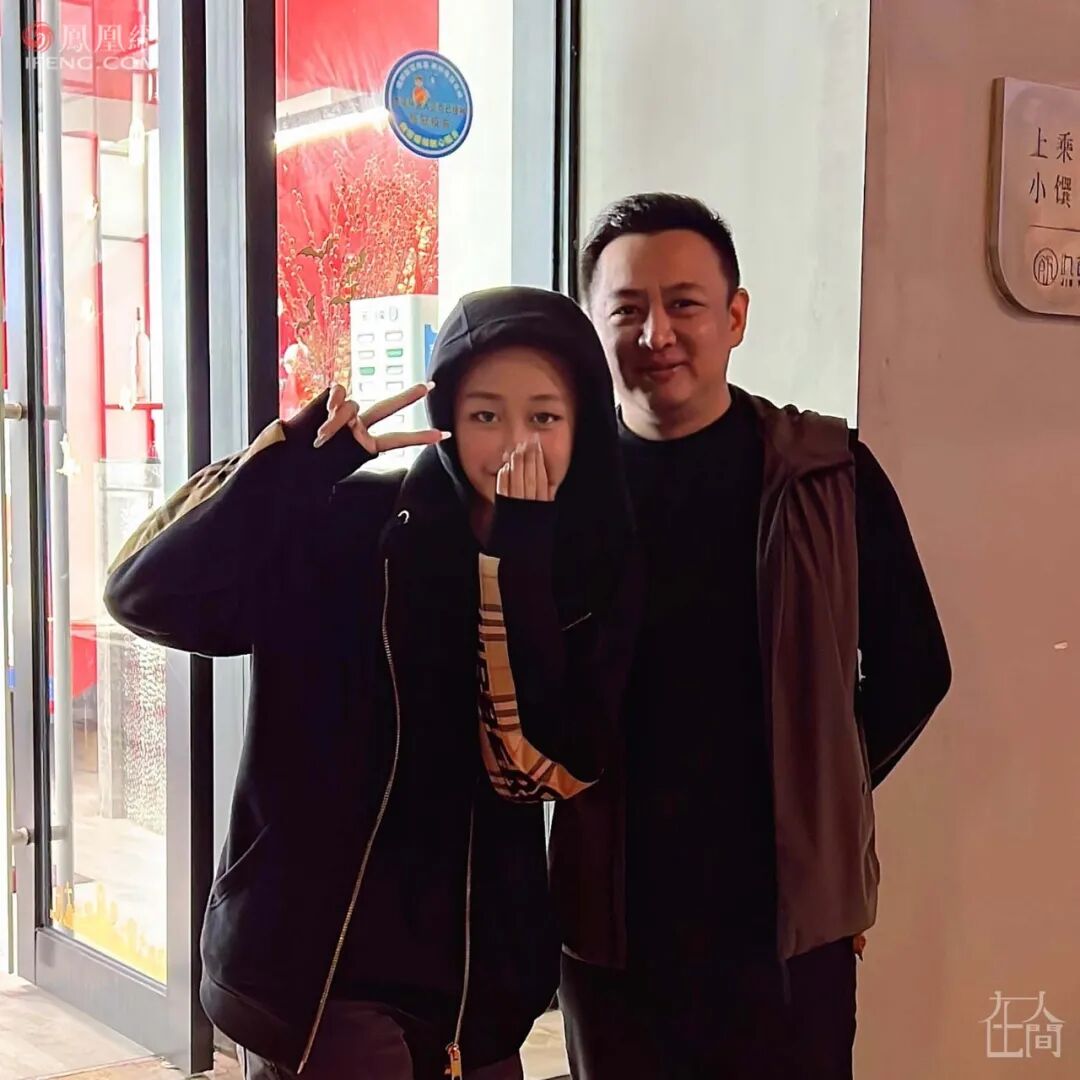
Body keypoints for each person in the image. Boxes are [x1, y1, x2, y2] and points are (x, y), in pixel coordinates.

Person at [104, 287, 639, 1079]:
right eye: (485, 414)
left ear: (582, 425)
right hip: (319, 968)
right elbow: (146, 595)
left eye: (545, 417)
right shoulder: (353, 521)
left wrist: (518, 562)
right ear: (448, 416)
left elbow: (541, 769)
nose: (513, 444)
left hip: (479, 984)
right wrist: (288, 468)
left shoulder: (586, 566)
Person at [549, 193, 952, 1079]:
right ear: (591, 327)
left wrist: (819, 793)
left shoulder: (827, 474)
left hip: (785, 933)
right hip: (616, 926)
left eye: (684, 304)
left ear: (734, 317)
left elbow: (916, 667)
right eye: (627, 308)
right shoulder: (562, 492)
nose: (656, 333)